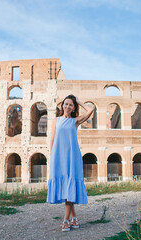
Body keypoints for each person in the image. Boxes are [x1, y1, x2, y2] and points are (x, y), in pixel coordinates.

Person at [47, 94, 94, 232]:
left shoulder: (75, 121)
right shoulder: (56, 120)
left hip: (72, 157)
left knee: (69, 186)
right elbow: (52, 138)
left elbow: (90, 110)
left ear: (74, 108)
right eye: (66, 104)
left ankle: (66, 220)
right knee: (66, 187)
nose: (67, 106)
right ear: (62, 105)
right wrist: (51, 156)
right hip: (58, 157)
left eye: (71, 105)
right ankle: (74, 218)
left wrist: (79, 101)